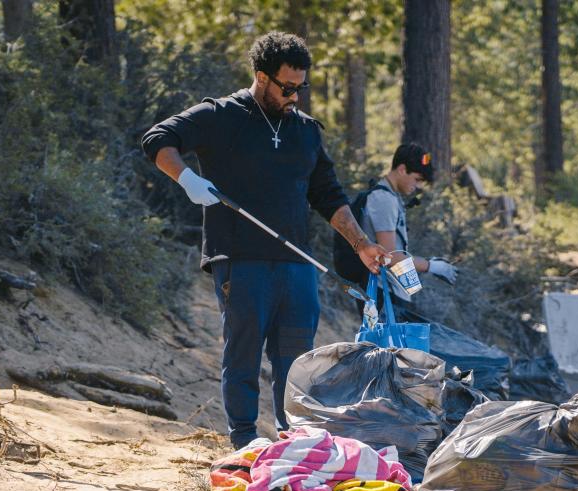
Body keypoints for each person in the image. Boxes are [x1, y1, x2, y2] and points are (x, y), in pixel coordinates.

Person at [141, 32, 389, 449]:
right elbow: (156, 139)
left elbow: (328, 195)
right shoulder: (220, 114)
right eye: (287, 87)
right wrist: (186, 178)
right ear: (261, 76)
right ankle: (243, 442)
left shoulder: (306, 131)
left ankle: (291, 444)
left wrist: (362, 244)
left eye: (301, 87)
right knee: (243, 353)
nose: (295, 96)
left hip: (296, 265)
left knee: (295, 363)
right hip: (239, 258)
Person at [336, 143, 457, 313]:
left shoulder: (391, 197)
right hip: (382, 292)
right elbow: (390, 257)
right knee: (382, 340)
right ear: (401, 169)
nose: (419, 185)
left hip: (392, 292)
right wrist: (431, 266)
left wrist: (409, 292)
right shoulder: (383, 199)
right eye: (417, 179)